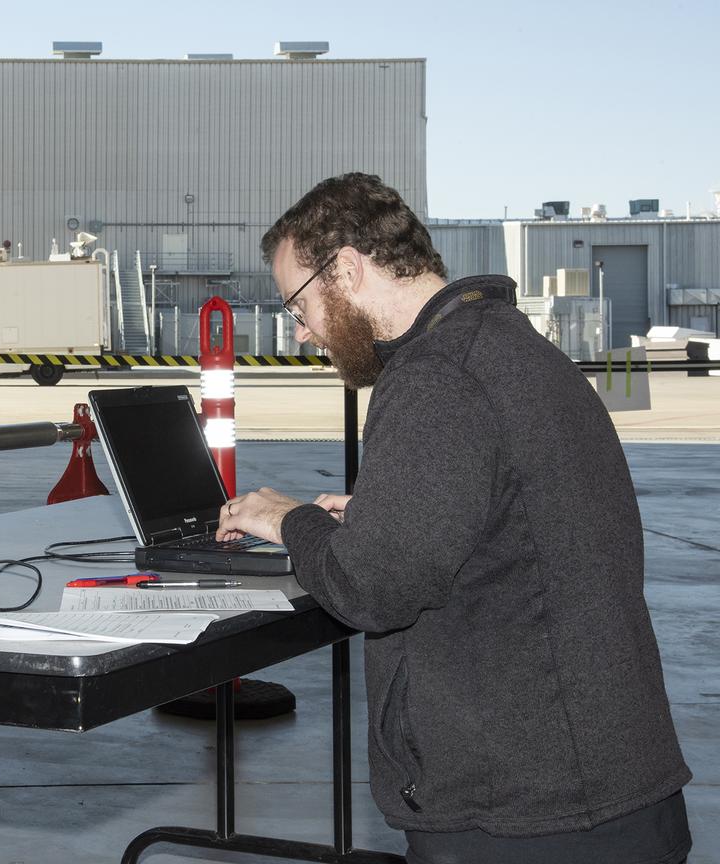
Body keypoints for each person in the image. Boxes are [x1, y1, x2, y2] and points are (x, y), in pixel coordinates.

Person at [217, 173, 692, 864]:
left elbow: (372, 588)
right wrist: (389, 513)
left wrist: (290, 520)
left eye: (299, 302)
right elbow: (518, 518)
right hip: (605, 789)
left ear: (346, 269)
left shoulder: (437, 377)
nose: (302, 330)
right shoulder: (507, 346)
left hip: (529, 817)